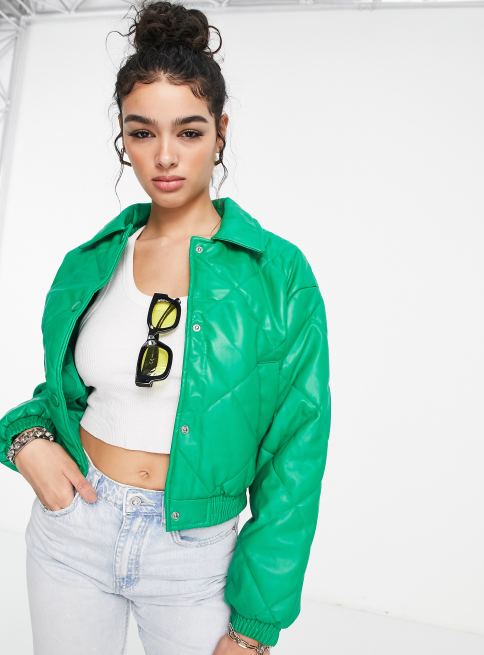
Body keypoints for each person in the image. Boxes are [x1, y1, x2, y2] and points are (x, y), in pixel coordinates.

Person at [0, 2, 331, 654]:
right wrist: (23, 440)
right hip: (73, 531)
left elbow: (296, 455)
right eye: (143, 132)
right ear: (123, 137)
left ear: (221, 131)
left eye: (189, 131)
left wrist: (255, 625)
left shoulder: (277, 274)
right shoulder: (91, 261)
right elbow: (63, 398)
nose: (166, 156)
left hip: (194, 558)